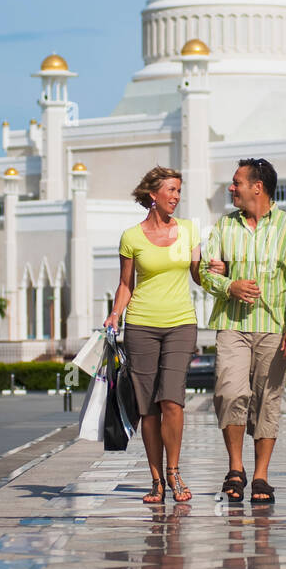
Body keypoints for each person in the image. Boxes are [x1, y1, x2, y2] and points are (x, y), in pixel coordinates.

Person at [200, 158, 286, 504]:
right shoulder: (224, 227)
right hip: (232, 326)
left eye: (236, 182)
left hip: (273, 330)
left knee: (268, 400)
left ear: (257, 187)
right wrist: (228, 285)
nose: (231, 188)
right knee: (229, 392)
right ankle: (236, 469)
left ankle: (261, 476)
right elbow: (206, 273)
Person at [104, 167, 201, 504]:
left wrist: (213, 269)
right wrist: (115, 314)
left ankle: (174, 471)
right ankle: (156, 479)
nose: (175, 197)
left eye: (178, 191)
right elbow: (126, 285)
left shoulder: (189, 231)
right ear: (152, 195)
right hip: (141, 325)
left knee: (172, 400)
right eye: (170, 190)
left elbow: (198, 275)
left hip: (181, 324)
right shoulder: (131, 237)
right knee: (148, 409)